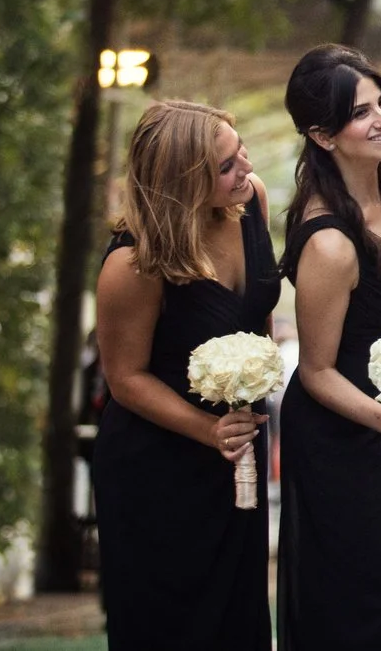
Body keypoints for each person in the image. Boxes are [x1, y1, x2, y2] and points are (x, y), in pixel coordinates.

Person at [91, 99, 279, 651]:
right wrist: (208, 430)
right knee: (170, 627)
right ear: (183, 183)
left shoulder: (252, 203)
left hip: (237, 452)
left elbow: (257, 320)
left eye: (238, 149)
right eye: (225, 166)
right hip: (160, 467)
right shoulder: (133, 265)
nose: (244, 167)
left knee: (239, 620)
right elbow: (124, 378)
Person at [278, 47, 381, 651]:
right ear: (322, 135)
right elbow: (316, 371)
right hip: (347, 434)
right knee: (361, 602)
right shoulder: (329, 244)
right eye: (360, 113)